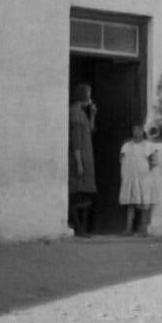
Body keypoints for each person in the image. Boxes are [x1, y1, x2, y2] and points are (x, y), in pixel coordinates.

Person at [119, 123, 159, 236]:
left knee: (144, 204)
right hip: (130, 178)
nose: (136, 132)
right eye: (134, 130)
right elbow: (122, 159)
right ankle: (128, 229)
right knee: (130, 204)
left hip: (144, 179)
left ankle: (144, 229)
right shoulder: (127, 146)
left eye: (139, 130)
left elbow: (154, 161)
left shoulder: (148, 146)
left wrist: (146, 172)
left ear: (143, 131)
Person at [68, 83, 97, 237]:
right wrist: (79, 163)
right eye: (88, 94)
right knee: (77, 193)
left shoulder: (82, 113)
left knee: (86, 193)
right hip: (80, 159)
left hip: (86, 157)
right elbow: (76, 141)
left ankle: (83, 228)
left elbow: (90, 130)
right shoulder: (75, 114)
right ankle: (79, 229)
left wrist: (92, 114)